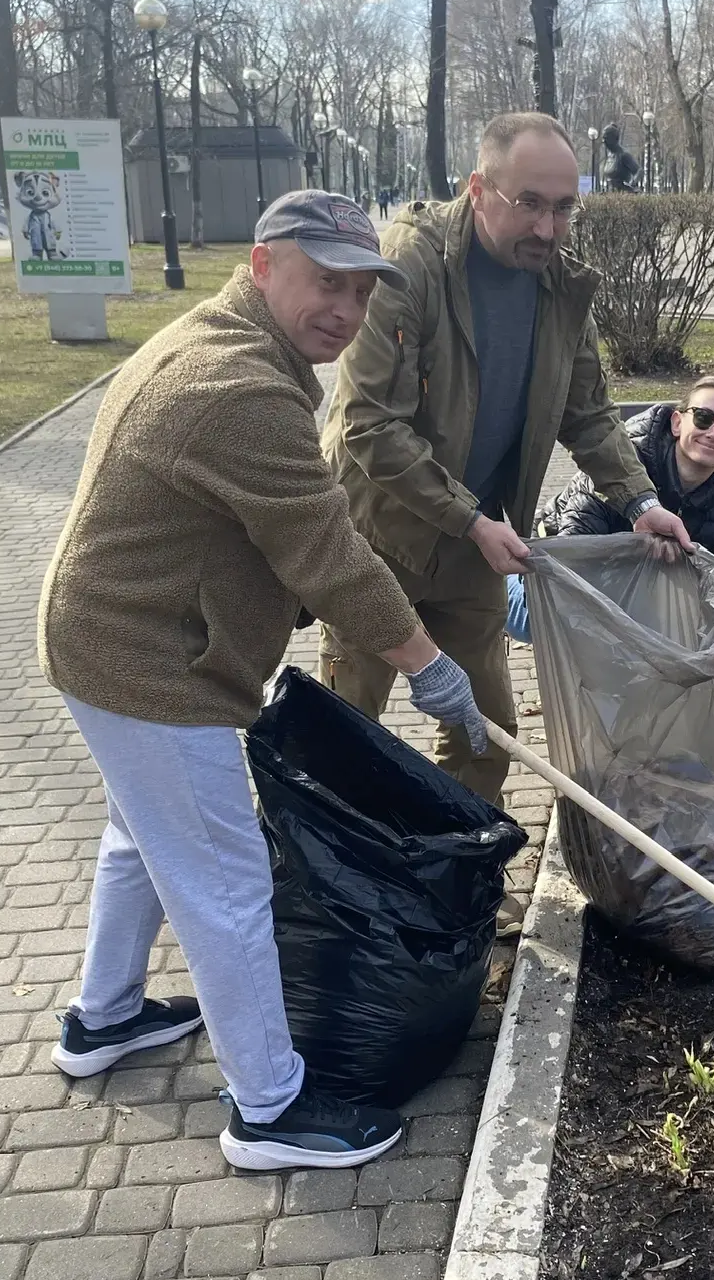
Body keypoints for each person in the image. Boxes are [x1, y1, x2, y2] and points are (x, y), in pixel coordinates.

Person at [36, 191, 486, 1173]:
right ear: (263, 264)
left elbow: (266, 536)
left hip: (111, 639)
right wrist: (427, 663)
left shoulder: (232, 346)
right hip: (150, 663)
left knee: (141, 836)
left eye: (361, 292)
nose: (345, 311)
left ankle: (103, 1019)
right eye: (327, 282)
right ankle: (270, 1108)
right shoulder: (237, 387)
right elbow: (327, 553)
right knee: (225, 883)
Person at [320, 111, 693, 804]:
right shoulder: (408, 267)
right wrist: (470, 520)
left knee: (485, 734)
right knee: (344, 731)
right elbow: (368, 425)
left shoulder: (560, 286)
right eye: (529, 204)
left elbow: (589, 413)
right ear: (478, 189)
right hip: (378, 541)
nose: (548, 229)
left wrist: (641, 501)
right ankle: (323, 866)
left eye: (564, 207)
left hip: (475, 549)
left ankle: (465, 865)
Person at [513, 371, 714, 787]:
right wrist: (636, 544)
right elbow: (572, 568)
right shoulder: (617, 465)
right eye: (704, 418)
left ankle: (644, 763)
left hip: (627, 605)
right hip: (544, 592)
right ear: (678, 422)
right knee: (590, 653)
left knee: (681, 644)